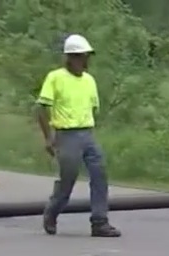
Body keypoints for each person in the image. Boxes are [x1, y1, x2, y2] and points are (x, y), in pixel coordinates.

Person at [34, 34, 121, 237]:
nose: (85, 60)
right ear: (71, 57)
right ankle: (52, 212)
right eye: (82, 56)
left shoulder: (89, 81)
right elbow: (40, 108)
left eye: (87, 56)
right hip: (66, 135)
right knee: (68, 180)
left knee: (100, 174)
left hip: (87, 134)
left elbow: (92, 109)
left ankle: (99, 222)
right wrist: (48, 137)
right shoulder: (56, 78)